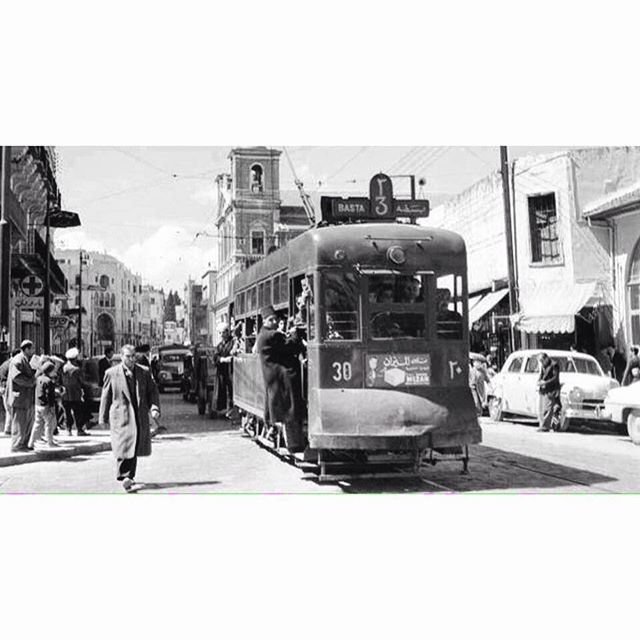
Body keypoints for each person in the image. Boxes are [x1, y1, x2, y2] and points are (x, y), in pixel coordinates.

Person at [98, 344, 160, 493]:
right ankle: (125, 475)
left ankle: (128, 476)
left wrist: (154, 408)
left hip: (138, 415)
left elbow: (153, 391)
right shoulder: (111, 373)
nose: (131, 359)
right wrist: (102, 418)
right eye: (128, 356)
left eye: (133, 356)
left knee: (133, 444)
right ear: (121, 356)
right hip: (120, 416)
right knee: (123, 445)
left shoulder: (144, 372)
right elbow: (105, 397)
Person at [256, 305, 306, 453]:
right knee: (291, 410)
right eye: (272, 320)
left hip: (274, 378)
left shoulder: (262, 335)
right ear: (265, 321)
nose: (276, 322)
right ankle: (295, 444)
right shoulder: (272, 335)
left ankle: (293, 442)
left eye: (276, 319)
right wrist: (295, 334)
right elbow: (290, 347)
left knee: (287, 411)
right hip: (283, 378)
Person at [5, 340, 37, 452]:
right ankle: (17, 445)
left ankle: (23, 444)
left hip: (26, 398)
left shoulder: (26, 360)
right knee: (19, 422)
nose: (33, 351)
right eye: (32, 349)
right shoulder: (18, 360)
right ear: (26, 349)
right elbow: (17, 377)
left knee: (27, 423)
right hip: (19, 397)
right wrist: (31, 382)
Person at [28, 360, 59, 449]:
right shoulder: (49, 381)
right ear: (50, 371)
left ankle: (31, 442)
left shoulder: (38, 379)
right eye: (54, 370)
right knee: (49, 424)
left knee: (37, 424)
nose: (55, 372)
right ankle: (50, 442)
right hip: (46, 406)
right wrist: (52, 406)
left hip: (38, 405)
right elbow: (49, 395)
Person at [62, 348, 89, 436]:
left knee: (67, 412)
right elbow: (82, 381)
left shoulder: (63, 367)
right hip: (75, 393)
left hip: (65, 393)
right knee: (77, 412)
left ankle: (68, 429)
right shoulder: (77, 369)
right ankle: (79, 429)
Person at [213, 325, 235, 418]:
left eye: (224, 332)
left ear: (227, 332)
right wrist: (222, 359)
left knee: (231, 391)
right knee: (221, 390)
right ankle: (223, 409)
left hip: (231, 370)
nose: (222, 335)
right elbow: (215, 357)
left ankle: (231, 409)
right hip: (222, 371)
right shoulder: (219, 345)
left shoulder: (232, 342)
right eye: (220, 333)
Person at [537, 352, 561, 432]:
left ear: (546, 358)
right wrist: (539, 381)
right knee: (542, 408)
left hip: (551, 389)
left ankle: (545, 426)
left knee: (548, 408)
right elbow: (542, 374)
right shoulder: (543, 365)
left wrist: (545, 383)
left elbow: (555, 378)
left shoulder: (554, 365)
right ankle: (542, 424)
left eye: (542, 360)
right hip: (544, 389)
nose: (542, 363)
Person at [0, 349, 20, 436]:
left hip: (3, 387)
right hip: (7, 388)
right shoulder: (11, 364)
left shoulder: (4, 364)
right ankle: (10, 429)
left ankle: (7, 429)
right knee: (11, 408)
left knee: (8, 409)